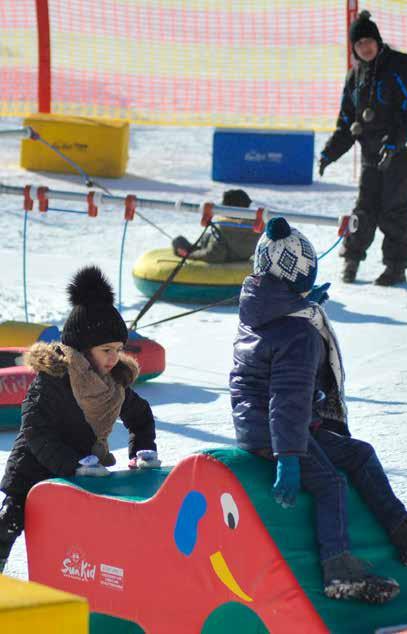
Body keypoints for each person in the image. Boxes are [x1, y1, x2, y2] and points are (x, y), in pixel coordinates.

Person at [230, 216, 407, 604]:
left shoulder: (263, 307)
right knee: (330, 483)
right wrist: (289, 457)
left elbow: (275, 362)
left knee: (360, 454)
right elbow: (288, 397)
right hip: (276, 430)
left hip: (270, 421)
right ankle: (338, 570)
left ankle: (405, 534)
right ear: (297, 276)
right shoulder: (298, 332)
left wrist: (301, 304)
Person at [0, 266, 160, 573]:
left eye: (118, 349)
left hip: (80, 472)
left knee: (75, 534)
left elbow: (141, 416)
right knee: (10, 523)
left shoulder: (112, 385)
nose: (114, 358)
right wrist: (72, 464)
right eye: (106, 350)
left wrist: (143, 449)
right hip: (32, 470)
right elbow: (35, 431)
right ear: (82, 349)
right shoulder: (53, 379)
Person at [318, 11, 407, 286]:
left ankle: (396, 266)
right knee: (364, 208)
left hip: (404, 149)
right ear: (353, 48)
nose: (364, 47)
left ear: (377, 41)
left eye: (368, 41)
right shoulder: (355, 76)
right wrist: (329, 153)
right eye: (359, 44)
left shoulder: (399, 65)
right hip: (371, 151)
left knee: (393, 207)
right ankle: (352, 258)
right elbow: (347, 123)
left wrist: (394, 142)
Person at [172, 189, 260, 263]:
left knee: (178, 241)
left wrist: (189, 255)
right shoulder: (258, 227)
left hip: (228, 256)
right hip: (240, 254)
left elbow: (215, 255)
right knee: (206, 237)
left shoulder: (224, 228)